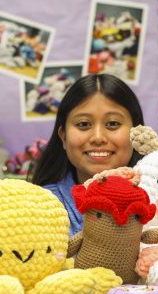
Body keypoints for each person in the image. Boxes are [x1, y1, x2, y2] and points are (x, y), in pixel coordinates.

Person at [30, 73, 145, 236]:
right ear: (63, 136)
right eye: (83, 124)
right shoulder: (39, 207)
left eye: (113, 124)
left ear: (137, 132)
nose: (98, 137)